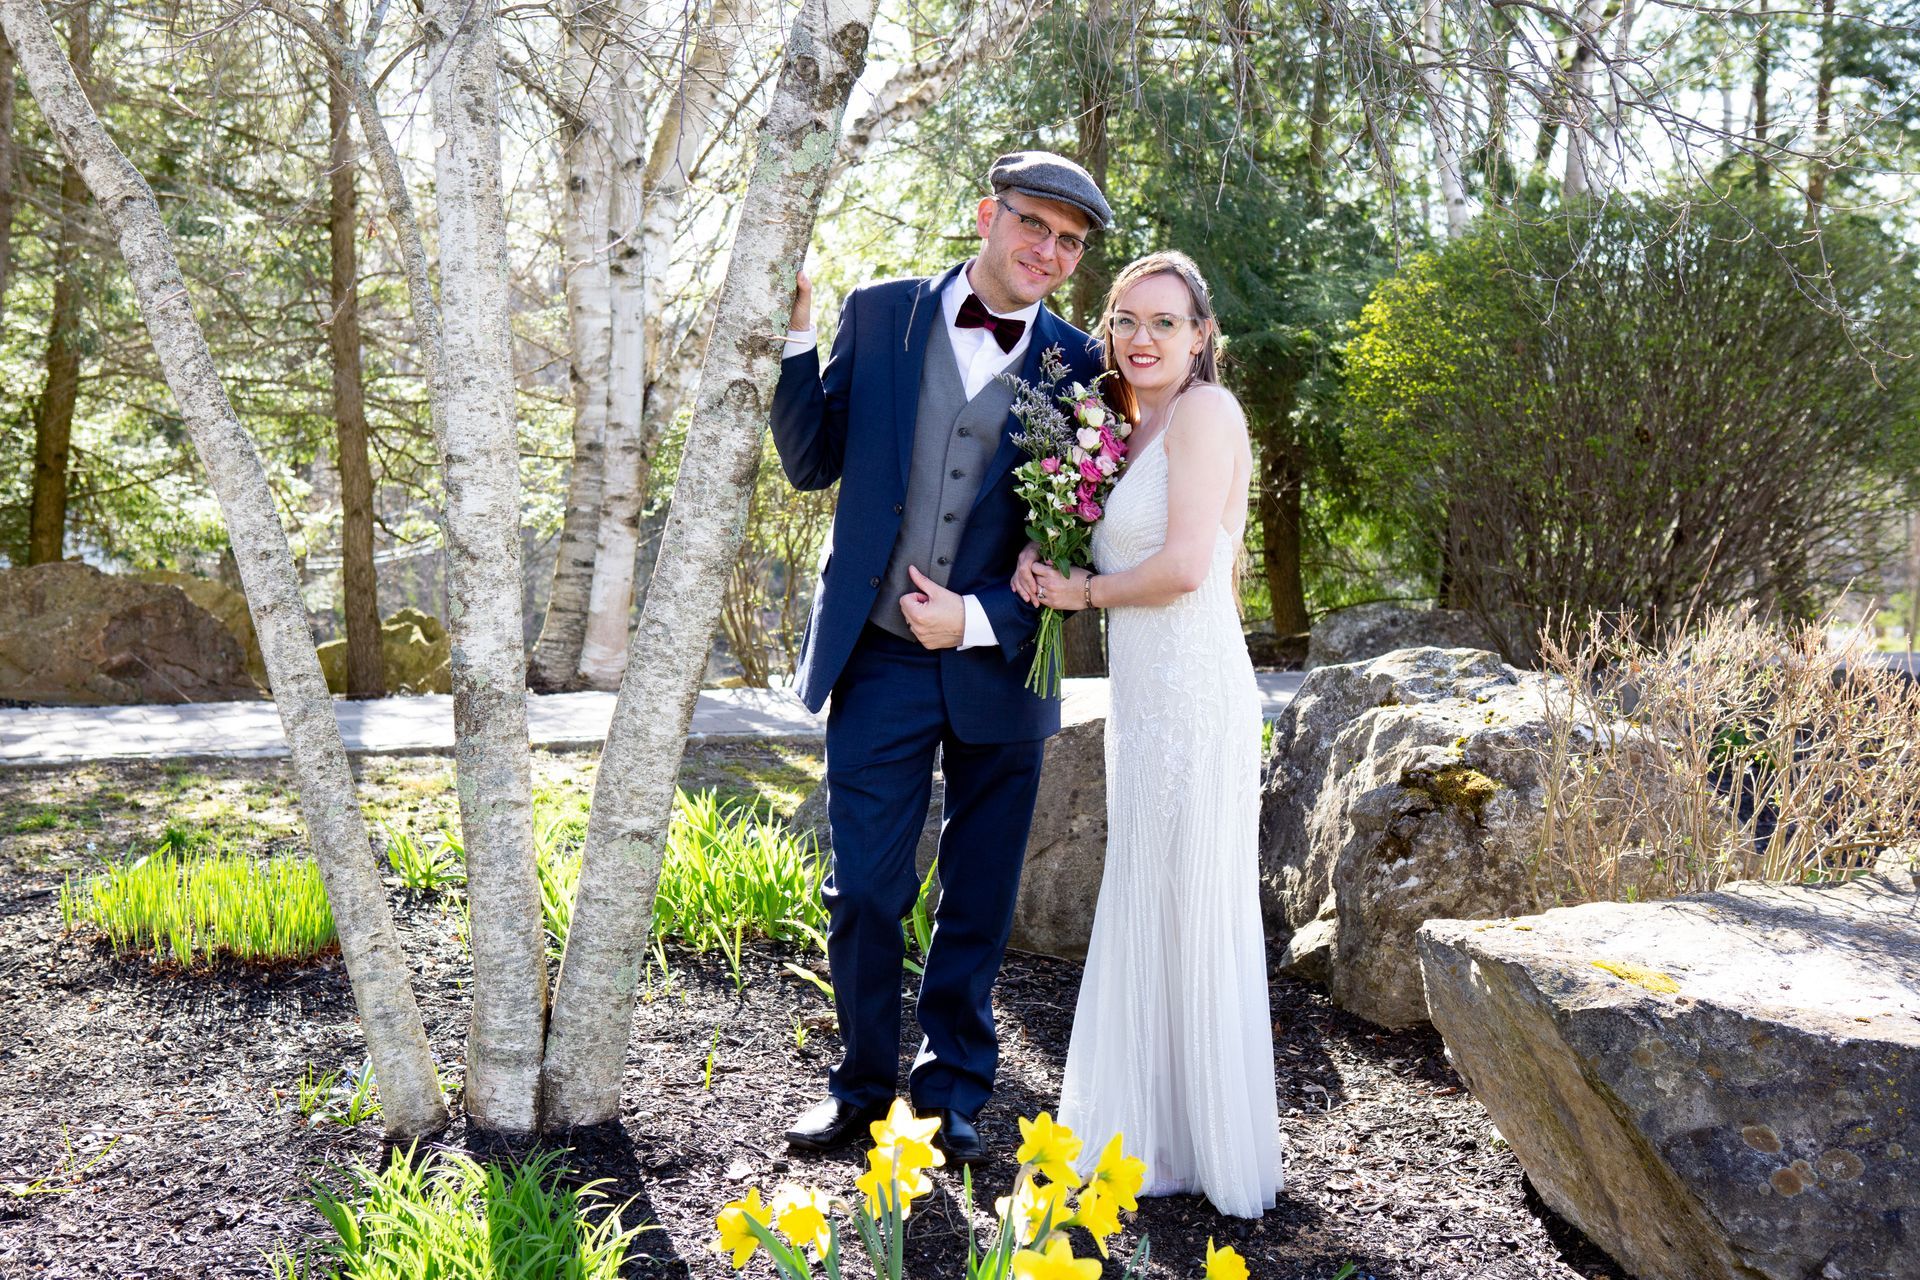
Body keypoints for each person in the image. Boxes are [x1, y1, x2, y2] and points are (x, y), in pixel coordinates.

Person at [769, 152, 1111, 1166]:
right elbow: (809, 460)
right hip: (876, 655)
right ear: (985, 215)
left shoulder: (1078, 363)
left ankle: (952, 1088)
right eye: (1033, 227)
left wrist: (976, 615)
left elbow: (1085, 538)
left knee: (981, 890)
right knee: (867, 886)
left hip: (1003, 659)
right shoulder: (880, 314)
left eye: (1069, 242)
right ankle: (862, 1085)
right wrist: (795, 334)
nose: (1048, 253)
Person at [1018, 250, 1284, 1216]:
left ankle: (1198, 1141)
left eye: (1164, 322)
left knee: (1187, 897)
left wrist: (1077, 591)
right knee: (1149, 891)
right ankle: (1149, 1132)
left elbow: (1181, 569)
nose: (1141, 337)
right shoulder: (1122, 427)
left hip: (1195, 694)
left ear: (1202, 336)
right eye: (1126, 319)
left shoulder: (1207, 414)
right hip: (1146, 695)